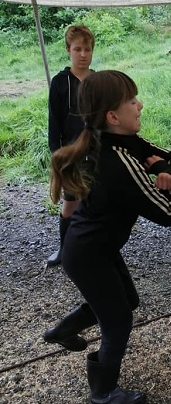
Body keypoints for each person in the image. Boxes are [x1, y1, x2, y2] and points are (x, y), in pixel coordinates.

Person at [44, 70, 171, 404]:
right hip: (88, 255)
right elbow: (167, 214)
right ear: (113, 116)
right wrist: (166, 182)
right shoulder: (120, 164)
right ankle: (103, 391)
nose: (140, 106)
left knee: (127, 300)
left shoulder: (122, 141)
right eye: (132, 101)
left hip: (92, 248)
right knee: (118, 320)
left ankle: (62, 331)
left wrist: (166, 169)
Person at [46, 24, 95, 266]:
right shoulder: (59, 82)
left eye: (87, 49)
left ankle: (93, 249)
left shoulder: (98, 81)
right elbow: (54, 124)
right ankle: (64, 250)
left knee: (95, 203)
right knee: (70, 205)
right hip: (70, 155)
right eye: (78, 49)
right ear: (68, 50)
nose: (83, 54)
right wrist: (58, 156)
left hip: (96, 153)